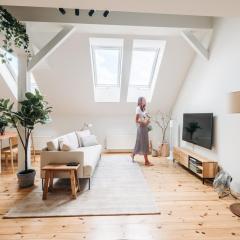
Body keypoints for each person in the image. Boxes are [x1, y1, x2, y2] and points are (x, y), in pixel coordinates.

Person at [132, 97, 153, 166]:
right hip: (141, 128)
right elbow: (136, 120)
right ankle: (146, 161)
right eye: (144, 100)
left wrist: (147, 120)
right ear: (140, 101)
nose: (145, 101)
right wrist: (143, 122)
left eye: (145, 100)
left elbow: (145, 117)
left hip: (144, 128)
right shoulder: (138, 108)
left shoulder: (144, 108)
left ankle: (132, 154)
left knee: (139, 143)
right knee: (144, 144)